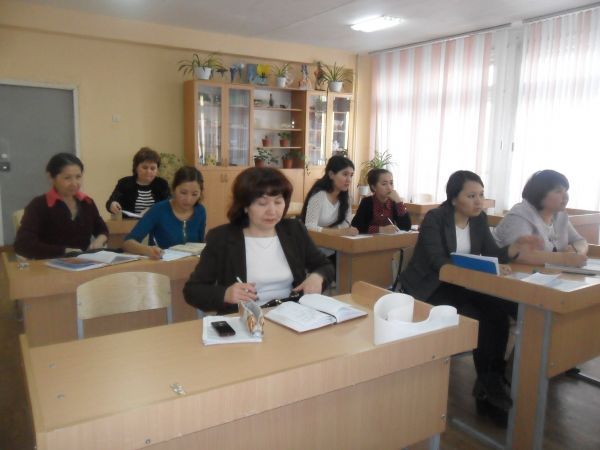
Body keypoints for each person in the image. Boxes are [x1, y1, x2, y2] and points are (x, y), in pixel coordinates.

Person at [398, 170, 539, 426]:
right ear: (454, 199)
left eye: (481, 195)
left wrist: (513, 249)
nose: (479, 202)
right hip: (432, 286)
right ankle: (489, 386)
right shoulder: (435, 219)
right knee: (481, 317)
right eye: (471, 196)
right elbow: (438, 262)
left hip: (463, 283)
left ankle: (490, 380)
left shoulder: (479, 219)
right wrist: (478, 268)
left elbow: (491, 253)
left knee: (500, 312)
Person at [184, 167, 334, 314]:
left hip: (291, 316)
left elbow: (325, 266)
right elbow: (193, 291)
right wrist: (225, 294)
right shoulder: (222, 238)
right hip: (244, 319)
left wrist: (318, 276)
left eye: (278, 202)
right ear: (245, 206)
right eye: (262, 203)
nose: (272, 211)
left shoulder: (294, 230)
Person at [14, 153, 108, 259]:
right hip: (49, 264)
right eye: (67, 178)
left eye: (78, 177)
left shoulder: (87, 202)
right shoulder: (39, 205)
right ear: (51, 177)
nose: (74, 183)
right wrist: (64, 251)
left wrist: (100, 240)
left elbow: (102, 229)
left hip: (84, 263)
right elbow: (22, 245)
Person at [494, 170, 588, 267]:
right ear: (540, 194)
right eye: (558, 191)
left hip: (544, 272)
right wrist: (565, 259)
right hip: (509, 272)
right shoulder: (520, 214)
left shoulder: (559, 215)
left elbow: (580, 241)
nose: (566, 197)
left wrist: (578, 253)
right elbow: (520, 254)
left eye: (566, 191)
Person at [122, 166, 205, 259]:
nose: (188, 199)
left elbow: (200, 245)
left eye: (194, 194)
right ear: (173, 189)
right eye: (183, 193)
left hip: (192, 265)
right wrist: (147, 250)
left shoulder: (200, 211)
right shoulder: (159, 210)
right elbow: (127, 243)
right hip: (163, 264)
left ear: (200, 193)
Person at [300, 155, 359, 236]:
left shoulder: (347, 197)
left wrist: (341, 231)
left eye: (351, 175)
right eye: (345, 174)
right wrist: (338, 232)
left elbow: (345, 224)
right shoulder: (319, 195)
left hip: (334, 240)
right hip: (313, 240)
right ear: (331, 174)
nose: (349, 180)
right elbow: (309, 227)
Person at [105, 147, 170, 217]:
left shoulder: (161, 184)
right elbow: (110, 203)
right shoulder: (124, 183)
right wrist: (112, 204)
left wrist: (154, 210)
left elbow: (170, 204)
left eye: (153, 168)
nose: (149, 171)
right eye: (145, 167)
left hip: (156, 223)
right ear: (136, 167)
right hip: (129, 223)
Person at [351, 168, 411, 234]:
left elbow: (406, 227)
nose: (389, 187)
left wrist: (399, 202)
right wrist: (381, 229)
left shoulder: (394, 202)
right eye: (384, 184)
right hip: (370, 239)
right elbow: (356, 226)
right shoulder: (367, 202)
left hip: (390, 239)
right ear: (374, 187)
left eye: (391, 183)